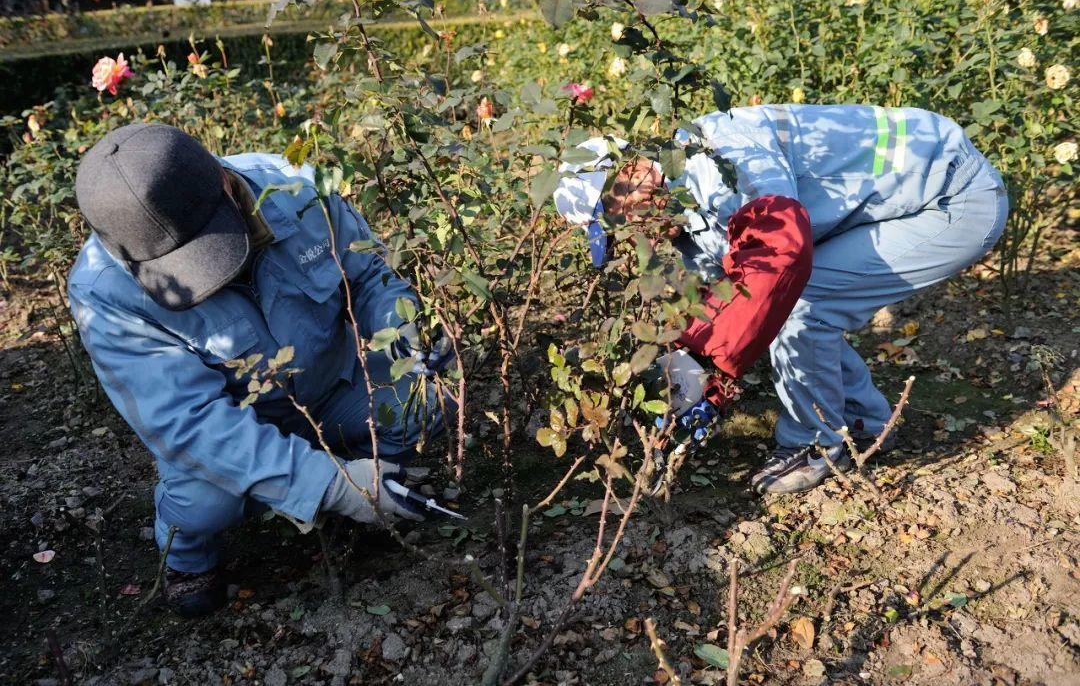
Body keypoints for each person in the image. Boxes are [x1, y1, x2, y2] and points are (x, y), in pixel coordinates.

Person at [68, 124, 452, 616]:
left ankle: (369, 479)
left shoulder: (297, 190)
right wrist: (333, 487)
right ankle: (187, 559)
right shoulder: (105, 295)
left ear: (227, 183)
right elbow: (191, 425)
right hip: (236, 427)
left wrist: (403, 336)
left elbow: (373, 277)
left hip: (336, 384)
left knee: (429, 397)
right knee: (206, 503)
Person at [554, 104, 1008, 494]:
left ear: (632, 174)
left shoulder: (717, 164)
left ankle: (815, 447)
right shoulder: (680, 212)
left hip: (952, 193)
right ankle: (865, 425)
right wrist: (683, 356)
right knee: (795, 303)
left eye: (618, 218)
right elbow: (725, 295)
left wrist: (715, 368)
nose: (632, 236)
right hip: (908, 195)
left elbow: (777, 256)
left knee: (803, 305)